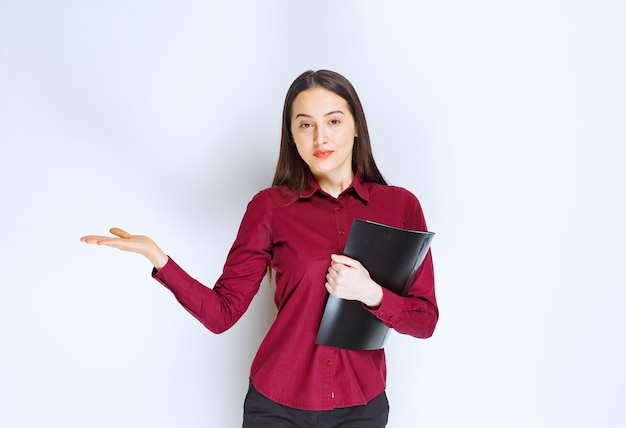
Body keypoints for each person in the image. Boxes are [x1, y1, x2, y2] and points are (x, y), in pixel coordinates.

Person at [80, 69, 438, 427]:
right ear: (292, 137)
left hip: (361, 406)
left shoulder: (400, 207)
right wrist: (157, 257)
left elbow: (425, 320)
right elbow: (222, 314)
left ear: (356, 126)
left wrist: (371, 293)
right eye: (305, 125)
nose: (320, 137)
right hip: (276, 408)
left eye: (333, 121)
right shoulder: (269, 208)